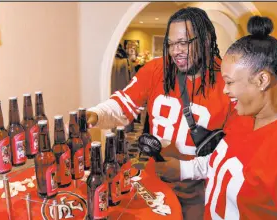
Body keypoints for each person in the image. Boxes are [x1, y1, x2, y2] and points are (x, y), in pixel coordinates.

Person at [156, 16, 277, 219]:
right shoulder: (244, 115)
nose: (225, 91)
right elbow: (223, 162)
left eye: (230, 82)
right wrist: (183, 169)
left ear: (262, 80)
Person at [86, 7, 235, 219]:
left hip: (200, 192)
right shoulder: (157, 69)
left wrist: (185, 169)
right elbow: (124, 104)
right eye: (171, 44)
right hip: (152, 181)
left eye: (183, 43)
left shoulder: (229, 82)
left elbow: (233, 154)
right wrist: (95, 114)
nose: (175, 51)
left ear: (206, 39)